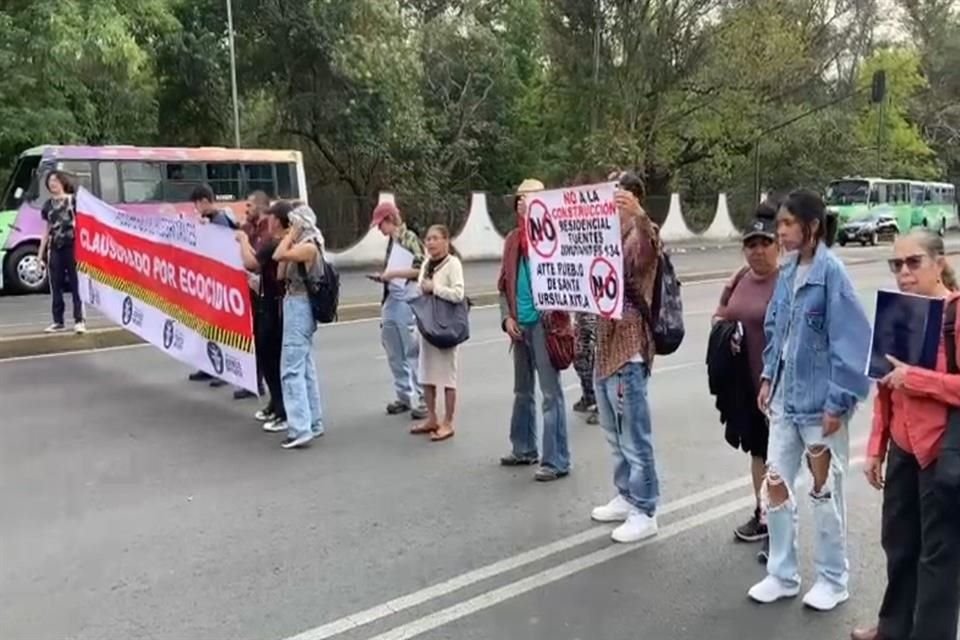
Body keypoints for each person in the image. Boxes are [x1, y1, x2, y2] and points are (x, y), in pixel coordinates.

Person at [748, 190, 871, 611]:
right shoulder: (786, 273)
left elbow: (853, 345)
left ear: (812, 226)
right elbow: (776, 329)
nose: (779, 232)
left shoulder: (832, 274)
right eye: (778, 224)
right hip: (785, 401)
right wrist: (768, 377)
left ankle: (833, 579)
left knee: (824, 493)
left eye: (786, 224)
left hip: (821, 409)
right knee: (776, 487)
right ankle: (781, 574)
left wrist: (839, 403)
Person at [851, 231, 960, 640]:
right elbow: (884, 386)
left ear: (938, 261)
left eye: (913, 263)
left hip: (942, 452)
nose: (904, 273)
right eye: (896, 265)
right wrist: (877, 447)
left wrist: (916, 379)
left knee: (939, 555)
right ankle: (894, 626)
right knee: (898, 545)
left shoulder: (954, 314)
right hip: (903, 448)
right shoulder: (897, 312)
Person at [589, 172, 662, 542]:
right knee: (613, 433)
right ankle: (625, 493)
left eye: (619, 193)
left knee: (635, 435)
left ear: (633, 197)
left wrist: (639, 215)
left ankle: (645, 509)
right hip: (604, 344)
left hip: (630, 346)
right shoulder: (605, 233)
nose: (612, 199)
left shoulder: (643, 232)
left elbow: (647, 253)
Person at [710, 203, 780, 547]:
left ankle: (782, 522)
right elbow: (720, 315)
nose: (757, 251)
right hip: (746, 386)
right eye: (751, 244)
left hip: (779, 388)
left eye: (765, 243)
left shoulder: (789, 281)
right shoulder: (739, 278)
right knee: (758, 452)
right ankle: (763, 514)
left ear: (778, 244)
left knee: (781, 459)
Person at [497, 178, 572, 482]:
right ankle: (524, 448)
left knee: (550, 394)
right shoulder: (513, 240)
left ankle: (556, 460)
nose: (521, 204)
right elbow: (503, 285)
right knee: (522, 391)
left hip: (547, 327)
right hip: (521, 324)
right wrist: (507, 318)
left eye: (528, 199)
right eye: (519, 199)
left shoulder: (554, 239)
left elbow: (569, 280)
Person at [272, 204, 325, 450]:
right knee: (304, 367)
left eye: (293, 223)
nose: (289, 228)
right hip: (295, 303)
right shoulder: (301, 245)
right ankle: (313, 422)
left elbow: (277, 256)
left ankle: (300, 428)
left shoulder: (310, 245)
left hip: (300, 305)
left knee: (290, 369)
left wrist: (290, 237)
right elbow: (281, 274)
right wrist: (289, 240)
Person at [370, 201, 427, 421]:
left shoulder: (408, 238)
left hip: (407, 296)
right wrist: (386, 276)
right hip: (392, 296)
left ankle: (423, 398)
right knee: (393, 348)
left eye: (381, 224)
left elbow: (421, 268)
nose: (379, 229)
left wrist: (391, 274)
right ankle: (403, 395)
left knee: (411, 349)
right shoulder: (392, 242)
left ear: (390, 219)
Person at [237, 201, 291, 434]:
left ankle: (282, 410)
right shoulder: (276, 242)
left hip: (274, 306)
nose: (267, 222)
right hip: (266, 302)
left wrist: (243, 241)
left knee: (272, 357)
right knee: (265, 354)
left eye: (271, 218)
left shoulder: (276, 243)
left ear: (277, 220)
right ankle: (274, 403)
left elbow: (251, 262)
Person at [410, 225, 465, 443]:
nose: (430, 243)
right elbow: (420, 288)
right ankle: (432, 418)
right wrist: (422, 288)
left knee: (447, 377)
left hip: (446, 326)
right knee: (427, 374)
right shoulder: (426, 263)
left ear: (446, 241)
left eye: (435, 238)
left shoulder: (453, 264)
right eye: (428, 239)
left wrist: (435, 288)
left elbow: (458, 293)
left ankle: (448, 421)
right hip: (427, 325)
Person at [188, 184, 239, 386]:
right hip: (209, 282)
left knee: (221, 329)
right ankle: (210, 365)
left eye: (196, 204)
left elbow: (219, 251)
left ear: (204, 201)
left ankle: (222, 369)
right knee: (208, 327)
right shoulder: (210, 220)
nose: (195, 208)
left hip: (220, 284)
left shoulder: (219, 221)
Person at [234, 190, 273, 400]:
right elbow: (232, 234)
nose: (245, 209)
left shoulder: (268, 232)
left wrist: (243, 240)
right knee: (255, 340)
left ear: (260, 207)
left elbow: (254, 262)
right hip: (254, 293)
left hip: (267, 295)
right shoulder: (250, 227)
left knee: (265, 345)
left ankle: (268, 389)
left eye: (249, 206)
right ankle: (255, 382)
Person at [39, 171, 84, 334]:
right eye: (50, 181)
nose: (53, 183)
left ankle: (79, 320)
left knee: (75, 283)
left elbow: (82, 224)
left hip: (72, 246)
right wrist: (40, 254)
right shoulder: (48, 205)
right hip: (56, 248)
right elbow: (47, 230)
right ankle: (58, 321)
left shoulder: (73, 201)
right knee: (56, 284)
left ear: (62, 183)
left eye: (56, 180)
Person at [574, 312, 599, 424]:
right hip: (583, 312)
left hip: (599, 313)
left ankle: (602, 406)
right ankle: (589, 395)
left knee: (600, 357)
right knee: (580, 357)